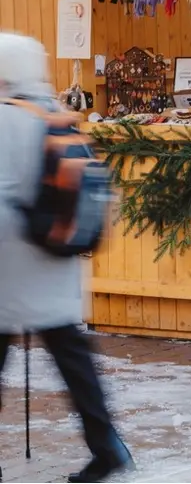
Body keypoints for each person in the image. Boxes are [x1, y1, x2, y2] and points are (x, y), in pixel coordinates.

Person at [0, 33, 132, 483]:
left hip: (11, 264)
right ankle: (106, 446)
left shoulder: (4, 118)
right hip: (57, 258)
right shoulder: (58, 114)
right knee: (74, 362)